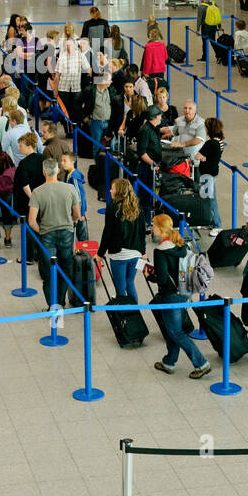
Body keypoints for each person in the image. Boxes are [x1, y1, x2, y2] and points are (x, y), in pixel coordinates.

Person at [145, 214, 212, 379]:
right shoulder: (180, 245)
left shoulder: (160, 251)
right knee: (171, 329)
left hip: (170, 295)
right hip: (183, 292)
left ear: (160, 229)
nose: (151, 228)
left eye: (153, 226)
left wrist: (149, 275)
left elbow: (161, 278)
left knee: (175, 331)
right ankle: (169, 361)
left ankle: (201, 363)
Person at [28, 157, 80, 308]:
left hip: (47, 236)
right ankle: (61, 301)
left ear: (44, 172)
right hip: (66, 233)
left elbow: (32, 221)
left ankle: (52, 305)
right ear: (58, 170)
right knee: (65, 270)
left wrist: (42, 230)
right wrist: (69, 221)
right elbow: (77, 214)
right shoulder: (70, 189)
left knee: (48, 273)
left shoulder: (37, 192)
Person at [97, 177, 146, 307]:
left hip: (119, 254)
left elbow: (107, 233)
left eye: (112, 188)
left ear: (118, 191)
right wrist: (143, 251)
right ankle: (135, 313)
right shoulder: (137, 207)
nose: (110, 190)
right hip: (135, 253)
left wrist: (100, 254)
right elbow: (142, 232)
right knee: (130, 283)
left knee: (120, 288)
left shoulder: (113, 208)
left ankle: (125, 317)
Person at [136, 105, 164, 224]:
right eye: (160, 115)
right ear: (156, 116)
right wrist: (154, 164)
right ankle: (145, 221)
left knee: (150, 195)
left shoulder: (153, 128)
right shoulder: (145, 130)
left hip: (151, 167)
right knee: (146, 196)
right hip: (147, 168)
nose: (161, 117)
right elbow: (142, 153)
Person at [196, 117, 224, 230]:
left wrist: (202, 157)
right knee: (208, 198)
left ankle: (217, 225)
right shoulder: (220, 141)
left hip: (207, 174)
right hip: (213, 172)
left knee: (211, 200)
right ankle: (210, 221)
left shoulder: (211, 143)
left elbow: (197, 155)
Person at [12, 132, 45, 224]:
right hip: (41, 196)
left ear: (29, 146)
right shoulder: (43, 158)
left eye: (21, 146)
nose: (19, 148)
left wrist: (33, 199)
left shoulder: (24, 163)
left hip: (27, 200)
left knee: (29, 223)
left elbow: (25, 185)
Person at [55, 23, 85, 120]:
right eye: (66, 30)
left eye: (69, 30)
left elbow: (87, 69)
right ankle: (67, 127)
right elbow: (57, 75)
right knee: (65, 109)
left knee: (75, 109)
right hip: (64, 87)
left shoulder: (77, 41)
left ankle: (75, 127)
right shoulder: (62, 41)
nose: (67, 32)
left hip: (75, 87)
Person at [59, 148, 87, 238]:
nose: (62, 163)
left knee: (81, 234)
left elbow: (79, 196)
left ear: (72, 162)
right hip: (73, 209)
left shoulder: (74, 177)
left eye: (64, 161)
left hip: (77, 211)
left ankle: (84, 251)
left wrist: (81, 213)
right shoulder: (69, 174)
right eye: (61, 161)